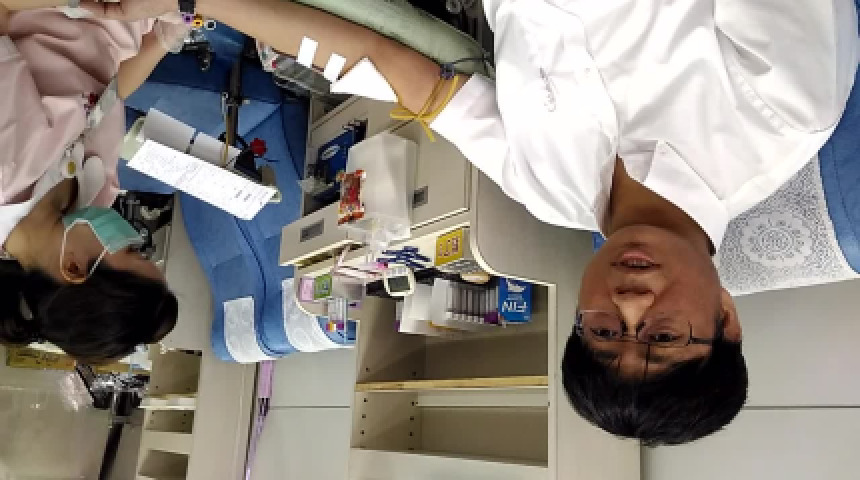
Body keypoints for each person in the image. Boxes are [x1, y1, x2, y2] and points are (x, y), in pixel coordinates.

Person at [79, 0, 858, 443]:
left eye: (603, 331)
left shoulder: (549, 192)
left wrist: (198, 5)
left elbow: (411, 79)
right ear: (727, 316)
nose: (627, 304)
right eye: (659, 334)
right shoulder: (785, 109)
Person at [0, 3, 186, 363]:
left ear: (73, 267)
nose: (134, 236)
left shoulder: (8, 170)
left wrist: (83, 4)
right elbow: (106, 96)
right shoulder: (92, 200)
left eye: (133, 252)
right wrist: (162, 39)